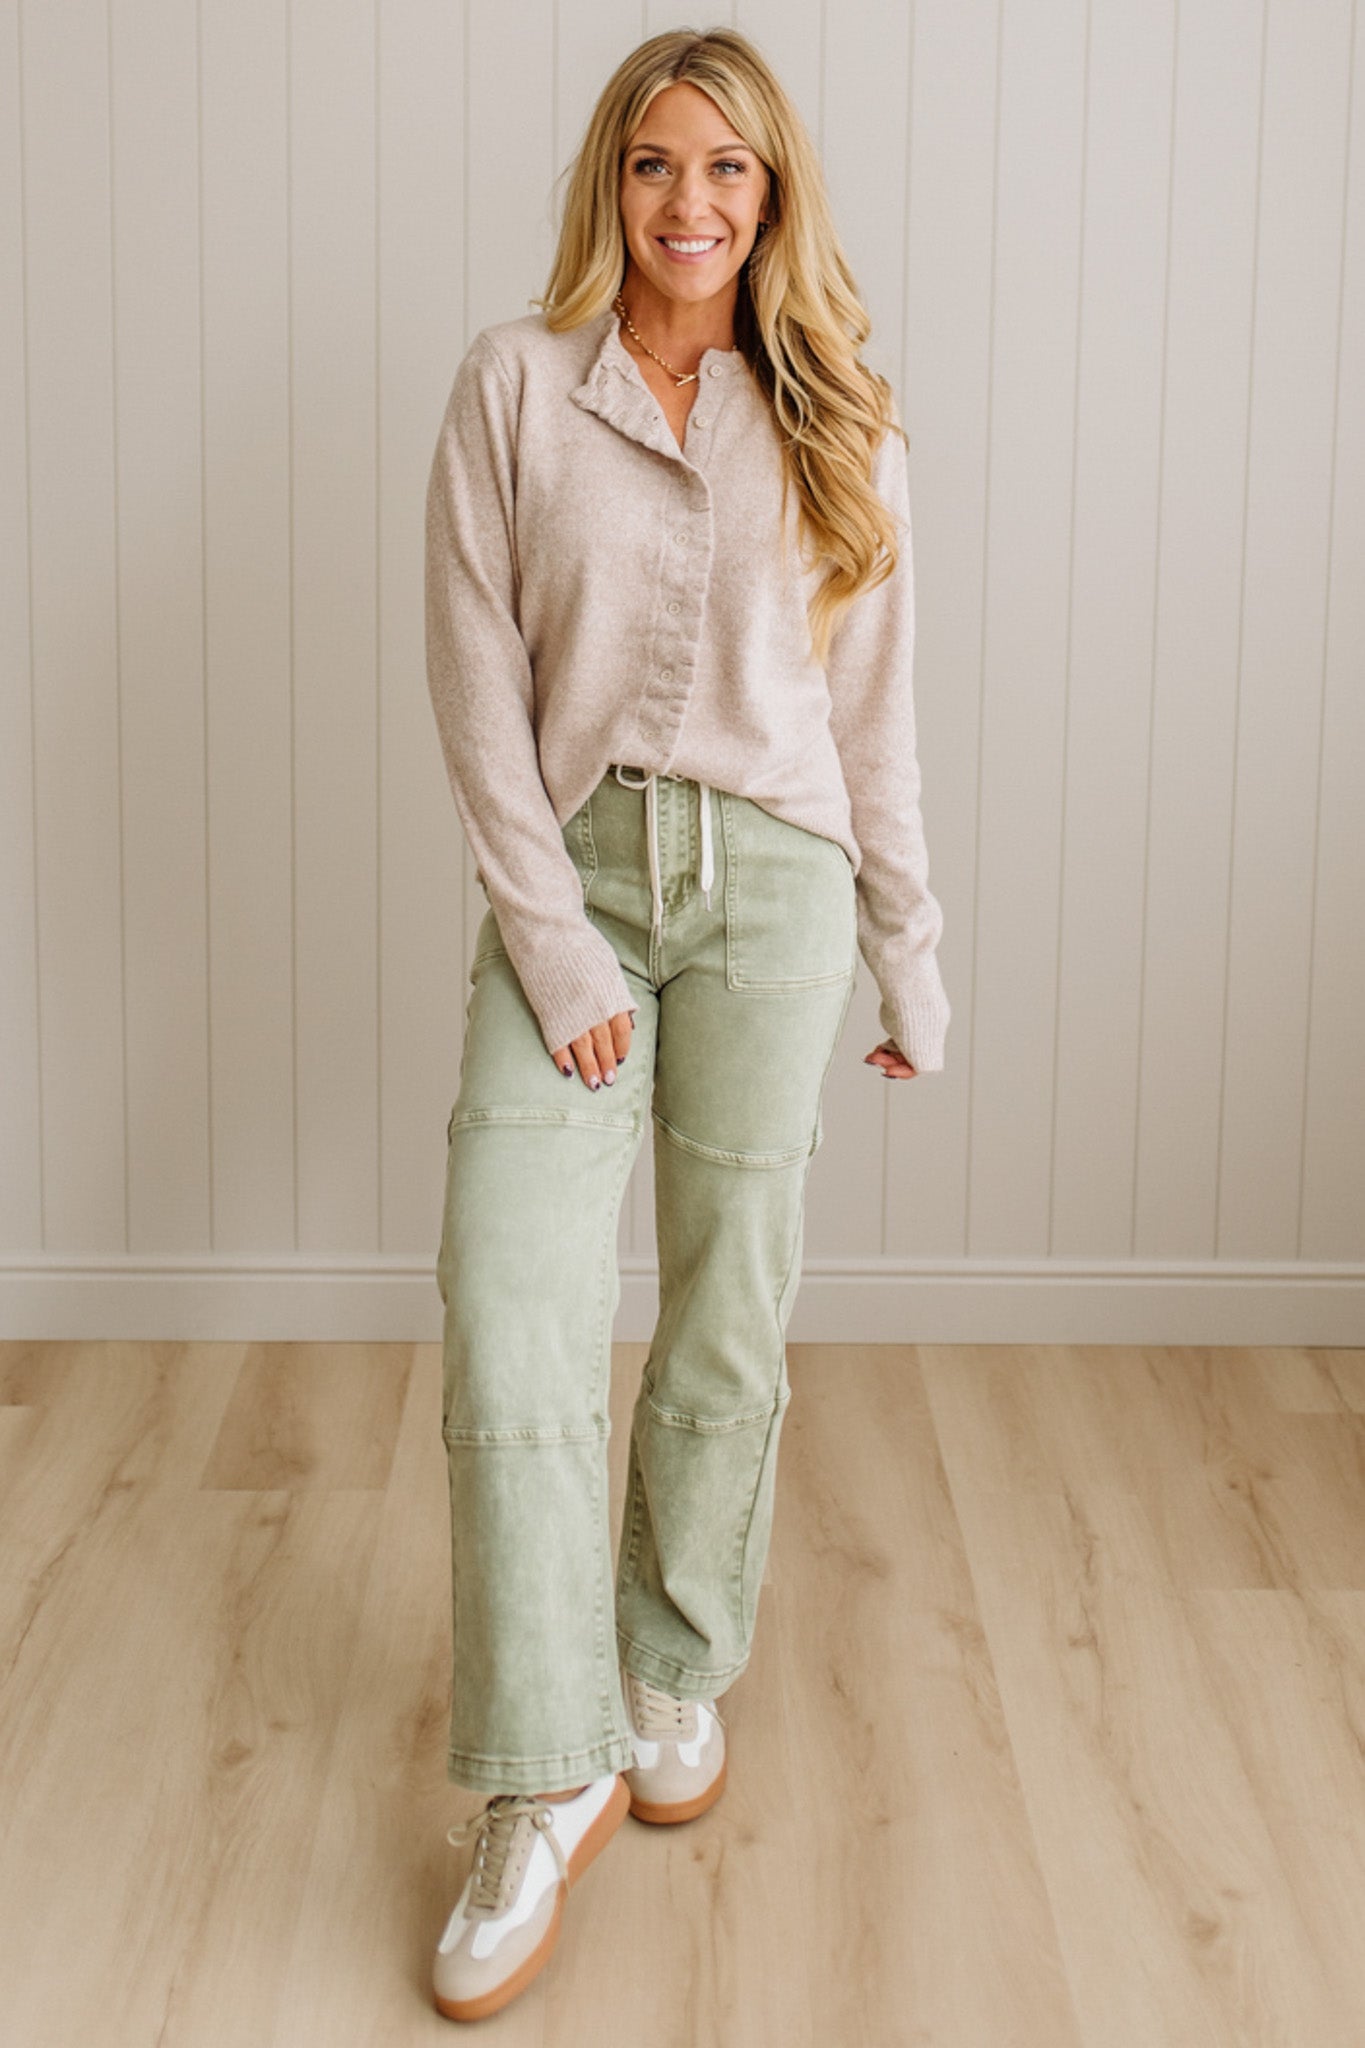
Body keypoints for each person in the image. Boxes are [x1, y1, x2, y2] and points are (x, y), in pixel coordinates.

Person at [423, 24, 950, 2024]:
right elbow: (475, 688)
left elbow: (869, 722)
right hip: (576, 894)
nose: (689, 207)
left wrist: (910, 949)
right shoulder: (506, 390)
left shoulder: (842, 425)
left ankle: (668, 1659)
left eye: (727, 172)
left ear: (775, 193)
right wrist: (551, 949)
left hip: (777, 898)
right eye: (654, 167)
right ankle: (539, 1763)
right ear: (607, 183)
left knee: (728, 1305)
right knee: (510, 1301)